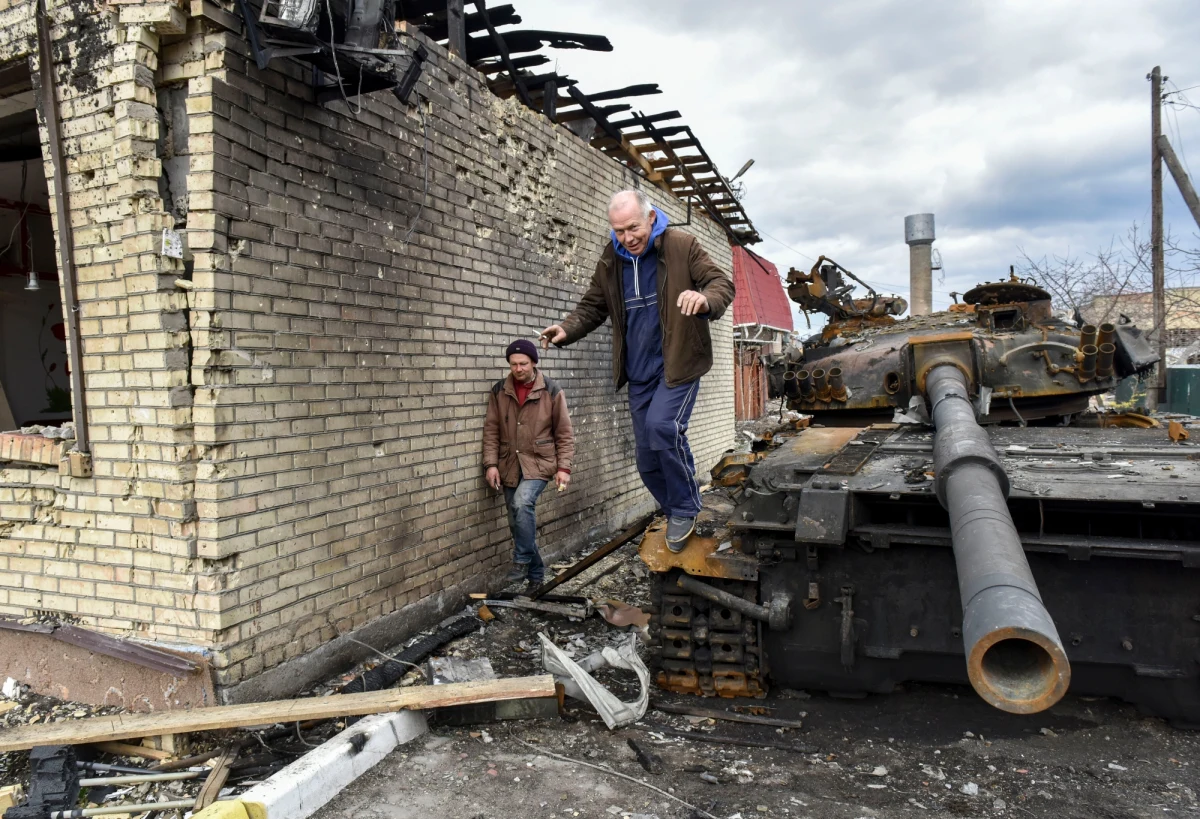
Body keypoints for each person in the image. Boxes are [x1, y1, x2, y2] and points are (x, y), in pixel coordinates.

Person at [541, 189, 734, 552]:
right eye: (619, 231)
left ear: (650, 218)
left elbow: (721, 283)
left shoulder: (680, 245)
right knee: (646, 459)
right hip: (640, 371)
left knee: (664, 428)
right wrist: (567, 329)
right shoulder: (612, 259)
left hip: (678, 364)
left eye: (633, 227)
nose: (628, 238)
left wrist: (704, 299)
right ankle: (673, 506)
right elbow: (593, 304)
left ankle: (685, 507)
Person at [482, 339, 575, 586]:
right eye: (514, 364)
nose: (518, 368)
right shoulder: (499, 391)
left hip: (539, 462)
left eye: (523, 363)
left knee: (522, 504)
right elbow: (491, 430)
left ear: (534, 362)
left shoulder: (552, 390)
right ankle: (536, 578)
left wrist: (564, 467)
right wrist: (490, 464)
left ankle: (521, 560)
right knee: (517, 522)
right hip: (509, 463)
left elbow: (564, 433)